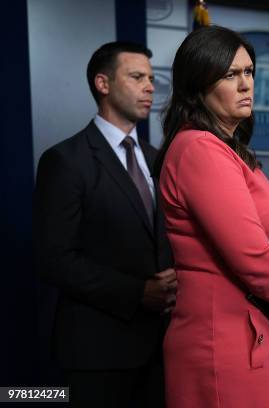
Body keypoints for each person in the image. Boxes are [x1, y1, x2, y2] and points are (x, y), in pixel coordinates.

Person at [155, 25, 269, 407]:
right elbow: (251, 254)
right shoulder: (199, 149)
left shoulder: (227, 149)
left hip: (249, 339)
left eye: (249, 72)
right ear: (198, 84)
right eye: (229, 74)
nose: (245, 85)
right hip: (221, 350)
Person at [33, 41, 175, 407]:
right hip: (96, 355)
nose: (150, 87)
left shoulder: (158, 159)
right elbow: (53, 259)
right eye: (137, 76)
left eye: (151, 78)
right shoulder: (65, 160)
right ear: (103, 83)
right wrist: (138, 292)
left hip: (162, 352)